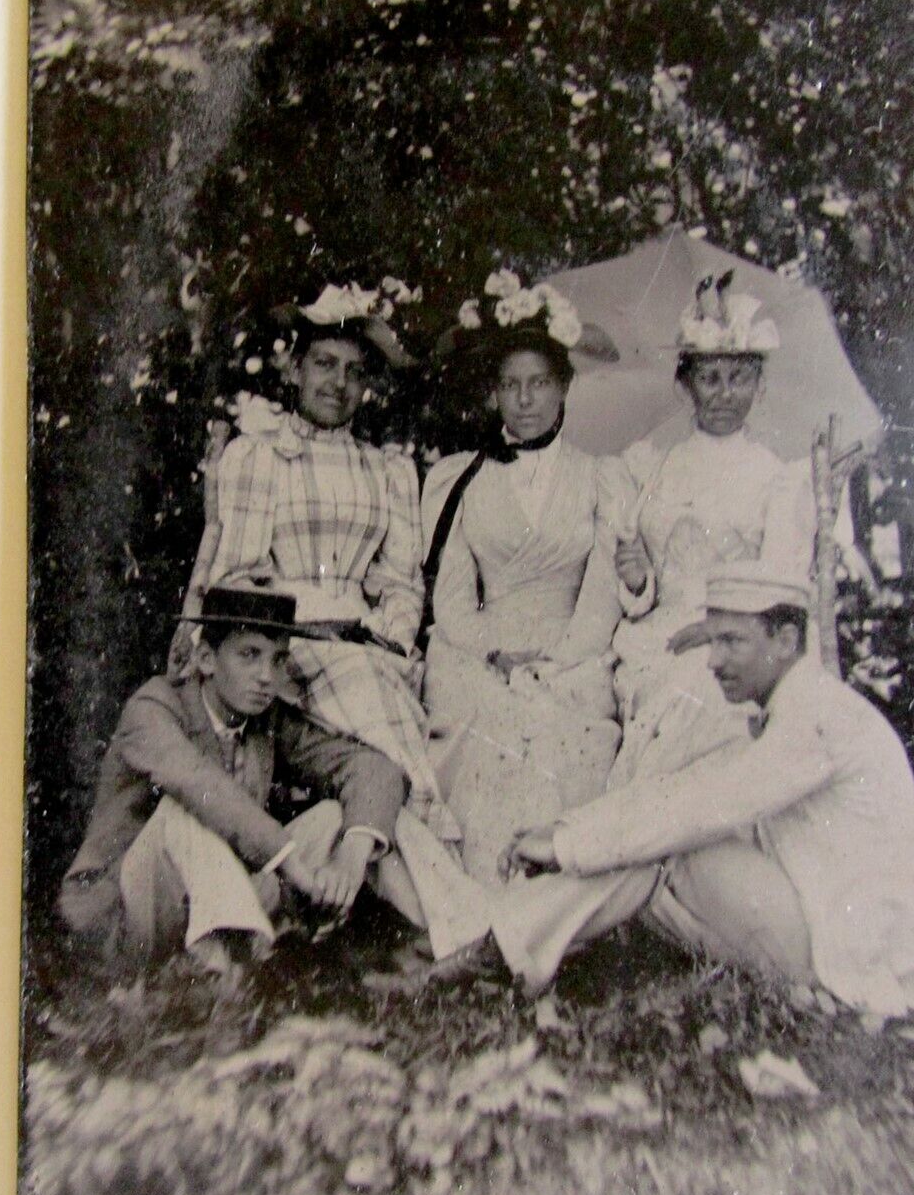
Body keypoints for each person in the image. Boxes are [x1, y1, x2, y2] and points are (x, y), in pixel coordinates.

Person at [495, 562, 914, 1019]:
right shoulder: (796, 707)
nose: (713, 660)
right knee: (652, 857)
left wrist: (563, 847)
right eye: (712, 641)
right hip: (822, 926)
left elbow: (695, 812)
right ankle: (511, 944)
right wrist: (566, 831)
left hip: (844, 955)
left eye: (732, 641)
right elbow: (683, 790)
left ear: (785, 638)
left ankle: (505, 950)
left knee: (673, 848)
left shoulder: (817, 720)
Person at [205, 282, 460, 884]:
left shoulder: (388, 470)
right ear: (294, 369)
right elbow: (234, 578)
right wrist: (324, 619)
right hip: (284, 645)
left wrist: (392, 635)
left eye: (353, 371)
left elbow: (400, 582)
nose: (337, 383)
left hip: (370, 646)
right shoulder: (259, 456)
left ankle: (417, 886)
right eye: (323, 364)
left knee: (386, 684)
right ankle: (445, 875)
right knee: (370, 691)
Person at [59, 587, 407, 973]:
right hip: (128, 913)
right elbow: (201, 785)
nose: (266, 677)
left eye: (278, 660)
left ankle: (435, 941)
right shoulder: (154, 707)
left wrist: (352, 859)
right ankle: (240, 971)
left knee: (335, 817)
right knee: (184, 811)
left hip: (218, 892)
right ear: (206, 659)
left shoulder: (265, 721)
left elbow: (374, 769)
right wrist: (294, 868)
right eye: (249, 655)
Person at [420, 271, 627, 886]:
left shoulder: (599, 477)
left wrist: (561, 657)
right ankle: (485, 891)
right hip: (481, 649)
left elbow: (603, 593)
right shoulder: (461, 477)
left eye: (539, 383)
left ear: (564, 388)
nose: (525, 399)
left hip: (572, 647)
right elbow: (451, 598)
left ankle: (553, 894)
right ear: (493, 396)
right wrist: (495, 653)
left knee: (559, 725)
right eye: (510, 385)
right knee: (491, 728)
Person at [609, 272, 816, 786]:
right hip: (657, 635)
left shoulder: (777, 477)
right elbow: (640, 589)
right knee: (661, 686)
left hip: (740, 635)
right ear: (685, 384)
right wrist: (637, 582)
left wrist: (718, 629)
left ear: (759, 385)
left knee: (701, 696)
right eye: (710, 378)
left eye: (739, 378)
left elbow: (783, 583)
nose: (725, 394)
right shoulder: (652, 466)